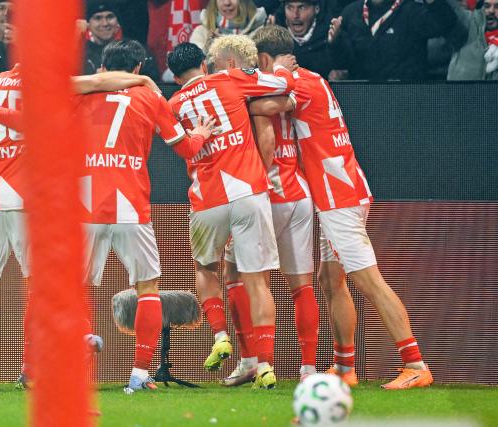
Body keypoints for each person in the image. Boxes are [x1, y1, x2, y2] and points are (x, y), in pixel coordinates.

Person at [0, 56, 166, 381]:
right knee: (39, 285)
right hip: (30, 198)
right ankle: (30, 367)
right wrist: (142, 81)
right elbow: (99, 82)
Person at [248, 25, 433, 389]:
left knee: (369, 281)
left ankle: (415, 363)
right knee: (331, 279)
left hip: (340, 197)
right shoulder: (309, 79)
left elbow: (261, 104)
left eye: (258, 65)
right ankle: (345, 367)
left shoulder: (296, 81)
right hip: (334, 194)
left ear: (266, 59)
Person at [73, 39, 216, 393]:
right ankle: (138, 374)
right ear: (138, 69)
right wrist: (200, 133)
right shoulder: (150, 98)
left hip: (85, 204)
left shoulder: (79, 94)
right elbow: (185, 148)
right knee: (148, 287)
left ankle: (80, 340)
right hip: (130, 204)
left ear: (103, 68)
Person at [167, 38, 296, 389]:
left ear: (176, 77)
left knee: (206, 270)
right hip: (248, 191)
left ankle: (220, 334)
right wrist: (281, 69)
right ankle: (265, 364)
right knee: (256, 280)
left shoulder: (174, 103)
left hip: (207, 198)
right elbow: (282, 84)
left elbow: (180, 147)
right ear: (205, 66)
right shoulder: (230, 79)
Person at [212, 29, 319, 386]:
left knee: (237, 277)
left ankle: (253, 362)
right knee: (301, 285)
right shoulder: (296, 84)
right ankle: (308, 369)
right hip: (299, 192)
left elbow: (267, 139)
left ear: (260, 60)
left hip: (266, 194)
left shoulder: (250, 93)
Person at [327, 0, 457, 80]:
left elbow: (445, 23)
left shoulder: (411, 11)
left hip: (406, 97)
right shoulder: (351, 12)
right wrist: (335, 42)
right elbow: (343, 63)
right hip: (363, 97)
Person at [81, 0, 159, 80]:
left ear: (117, 22)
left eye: (110, 17)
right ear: (88, 24)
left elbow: (154, 79)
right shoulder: (79, 53)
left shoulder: (134, 50)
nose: (105, 23)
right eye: (98, 18)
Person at [274, 0, 335, 79]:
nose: (295, 15)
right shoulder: (273, 35)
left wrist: (335, 44)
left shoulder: (333, 35)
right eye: (290, 8)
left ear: (316, 9)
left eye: (301, 7)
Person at [190, 0, 268, 53]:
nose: (227, 2)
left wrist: (227, 46)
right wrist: (208, 49)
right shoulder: (201, 32)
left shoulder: (261, 31)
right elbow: (194, 68)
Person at [447, 0, 498, 79]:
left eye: (497, 7)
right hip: (462, 90)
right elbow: (453, 8)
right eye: (487, 6)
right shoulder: (469, 21)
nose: (491, 11)